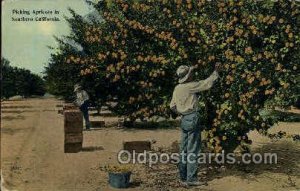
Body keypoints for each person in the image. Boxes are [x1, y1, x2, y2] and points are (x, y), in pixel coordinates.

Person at [170, 63, 220, 187]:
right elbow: (207, 83)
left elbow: (172, 106)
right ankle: (191, 179)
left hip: (184, 119)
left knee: (184, 149)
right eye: (191, 74)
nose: (193, 75)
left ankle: (182, 177)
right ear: (188, 77)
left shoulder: (177, 88)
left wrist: (182, 112)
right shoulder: (190, 86)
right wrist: (216, 72)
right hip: (192, 118)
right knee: (193, 150)